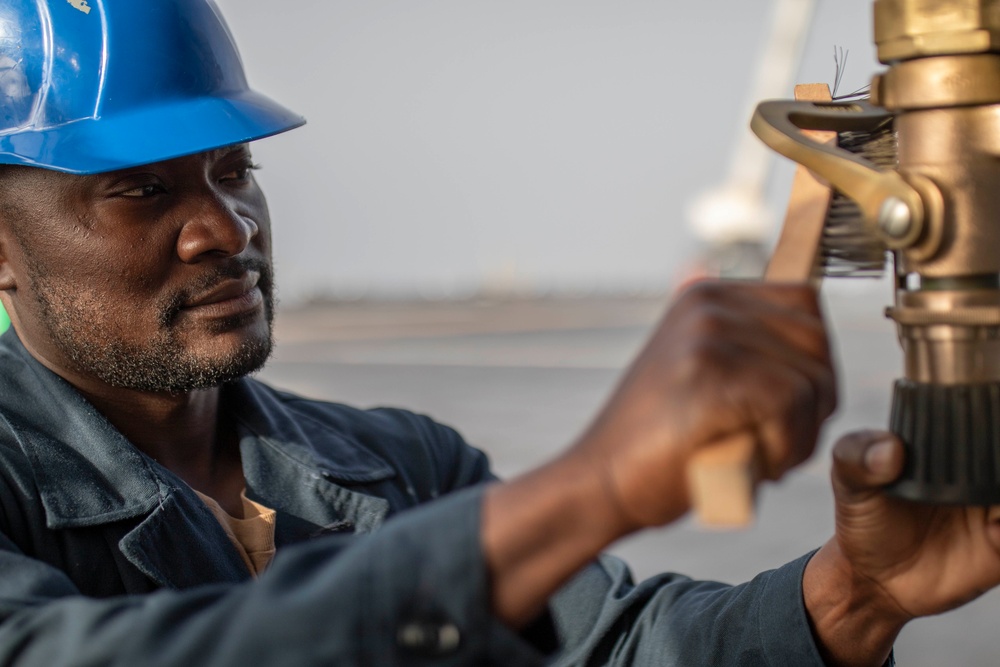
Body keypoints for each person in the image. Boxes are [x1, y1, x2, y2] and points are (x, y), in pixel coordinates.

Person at [0, 1, 998, 665]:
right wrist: (592, 485)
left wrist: (854, 593)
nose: (227, 227)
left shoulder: (401, 464)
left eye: (235, 169)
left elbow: (609, 645)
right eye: (138, 188)